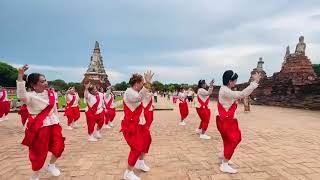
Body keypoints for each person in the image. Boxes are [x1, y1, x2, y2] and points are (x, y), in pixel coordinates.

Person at [16, 64, 65, 180]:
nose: (46, 83)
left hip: (53, 124)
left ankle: (51, 165)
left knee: (59, 145)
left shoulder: (51, 94)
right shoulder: (29, 96)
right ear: (34, 85)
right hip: (39, 126)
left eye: (45, 80)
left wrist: (57, 121)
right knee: (39, 152)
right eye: (42, 82)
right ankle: (35, 176)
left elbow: (54, 110)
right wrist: (20, 75)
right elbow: (21, 94)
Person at [216, 70, 261, 174]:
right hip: (225, 120)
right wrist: (254, 83)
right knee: (233, 140)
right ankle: (224, 164)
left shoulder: (226, 89)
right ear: (229, 81)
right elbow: (241, 94)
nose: (236, 82)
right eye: (235, 80)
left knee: (232, 140)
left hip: (228, 119)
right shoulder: (225, 91)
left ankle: (224, 155)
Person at [121, 71, 153, 180]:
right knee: (136, 147)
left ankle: (140, 162)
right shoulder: (129, 92)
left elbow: (143, 98)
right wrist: (147, 83)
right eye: (142, 83)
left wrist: (148, 89)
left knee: (147, 141)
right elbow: (139, 98)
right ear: (137, 83)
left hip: (140, 123)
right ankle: (128, 172)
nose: (143, 84)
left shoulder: (137, 91)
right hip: (131, 125)